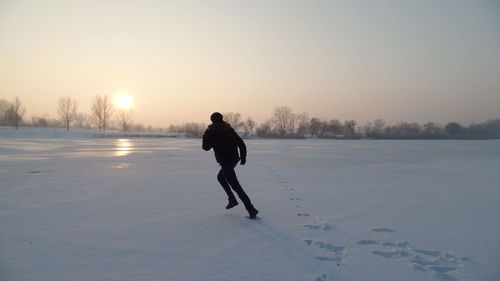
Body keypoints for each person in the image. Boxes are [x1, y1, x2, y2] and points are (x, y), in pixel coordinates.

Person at [202, 112, 259, 219]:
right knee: (220, 177)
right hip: (233, 159)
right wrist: (243, 157)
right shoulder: (229, 129)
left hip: (225, 162)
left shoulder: (211, 131)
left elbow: (205, 147)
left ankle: (251, 209)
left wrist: (206, 135)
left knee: (235, 186)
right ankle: (232, 199)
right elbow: (241, 143)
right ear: (221, 119)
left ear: (212, 120)